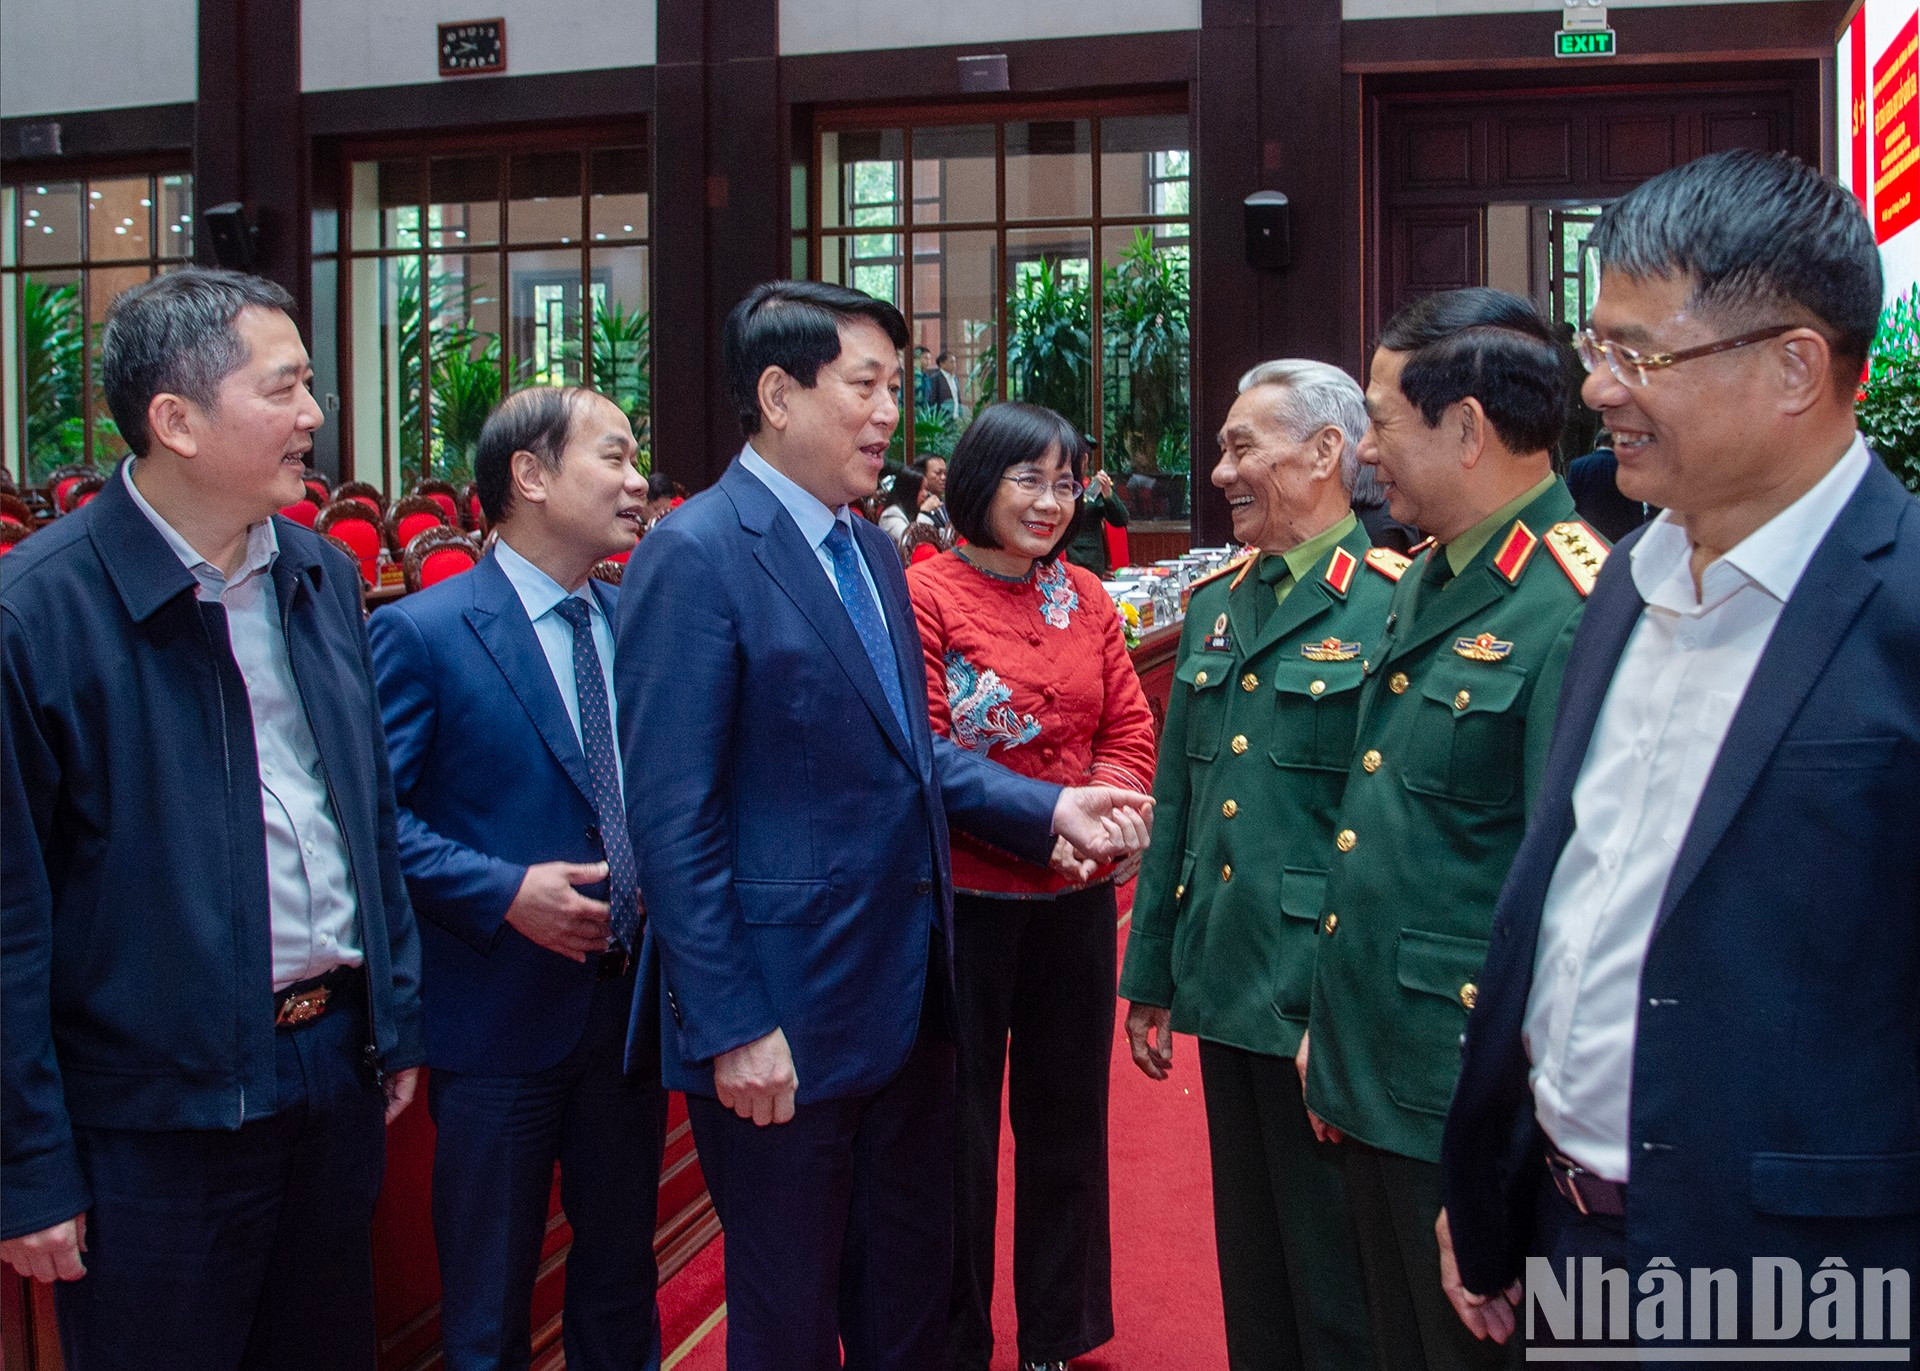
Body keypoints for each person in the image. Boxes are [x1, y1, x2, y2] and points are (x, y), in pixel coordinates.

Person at [612, 279, 1154, 1371]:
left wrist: (1047, 803)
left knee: (906, 1301)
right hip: (783, 1024)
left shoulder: (865, 552)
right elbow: (672, 820)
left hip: (909, 1007)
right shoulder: (698, 554)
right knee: (793, 1320)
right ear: (777, 393)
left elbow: (914, 763)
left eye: (896, 388)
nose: (890, 416)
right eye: (867, 386)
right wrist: (728, 1024)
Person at [1440, 151, 1919, 1352]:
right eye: (1594, 347)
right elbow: (1573, 903)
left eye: (1639, 354)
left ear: (1796, 368)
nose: (1597, 390)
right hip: (1565, 1243)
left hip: (1802, 1290)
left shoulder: (1904, 609)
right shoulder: (1623, 586)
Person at [0, 267, 424, 1369]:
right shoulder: (37, 614)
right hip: (153, 1113)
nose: (314, 417)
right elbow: (10, 917)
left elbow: (364, 814)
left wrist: (395, 1017)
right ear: (176, 421)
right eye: (283, 389)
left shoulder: (320, 574)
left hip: (331, 1072)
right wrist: (27, 1164)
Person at [1297, 287, 1603, 1371]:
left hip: (1459, 1095)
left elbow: (1566, 913)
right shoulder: (1430, 573)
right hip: (1378, 1065)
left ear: (1466, 429)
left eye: (1382, 420)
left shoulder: (1573, 608)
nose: (1366, 454)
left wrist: (1502, 1165)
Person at [367, 386, 667, 1371]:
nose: (637, 483)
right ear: (529, 476)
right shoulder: (424, 632)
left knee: (623, 1283)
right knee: (490, 1307)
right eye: (614, 459)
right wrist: (501, 891)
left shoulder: (640, 620)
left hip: (630, 1016)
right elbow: (370, 826)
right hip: (495, 1022)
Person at [1119, 359, 1395, 1371]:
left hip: (1319, 997)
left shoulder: (1393, 608)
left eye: (1244, 446)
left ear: (1326, 453)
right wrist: (1151, 975)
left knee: (1339, 1283)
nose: (1222, 469)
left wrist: (1346, 1006)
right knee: (1257, 1270)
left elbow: (1388, 839)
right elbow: (1182, 807)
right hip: (1227, 979)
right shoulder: (1214, 607)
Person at [907, 402, 1159, 1371]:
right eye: (1030, 479)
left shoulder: (1088, 597)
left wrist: (1104, 817)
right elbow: (923, 746)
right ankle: (955, 1337)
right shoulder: (924, 595)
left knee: (1066, 1124)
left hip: (1074, 900)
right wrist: (1042, 819)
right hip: (962, 899)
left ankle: (1057, 1332)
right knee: (955, 1137)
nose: (1053, 502)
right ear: (979, 480)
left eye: (1067, 482)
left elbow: (1130, 730)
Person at [1562, 432, 1654, 543]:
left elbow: (1570, 500)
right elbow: (1635, 506)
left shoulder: (1578, 465)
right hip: (1620, 535)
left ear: (1596, 444)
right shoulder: (1625, 468)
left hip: (1586, 533)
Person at [1062, 465, 1130, 576]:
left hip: (1088, 560)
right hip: (1053, 560)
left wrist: (1107, 493)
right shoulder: (1052, 486)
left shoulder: (1092, 487)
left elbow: (1122, 520)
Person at [877, 463, 939, 554]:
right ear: (909, 491)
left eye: (926, 489)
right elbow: (912, 545)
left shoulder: (914, 510)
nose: (925, 494)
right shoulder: (891, 515)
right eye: (921, 489)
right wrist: (924, 512)